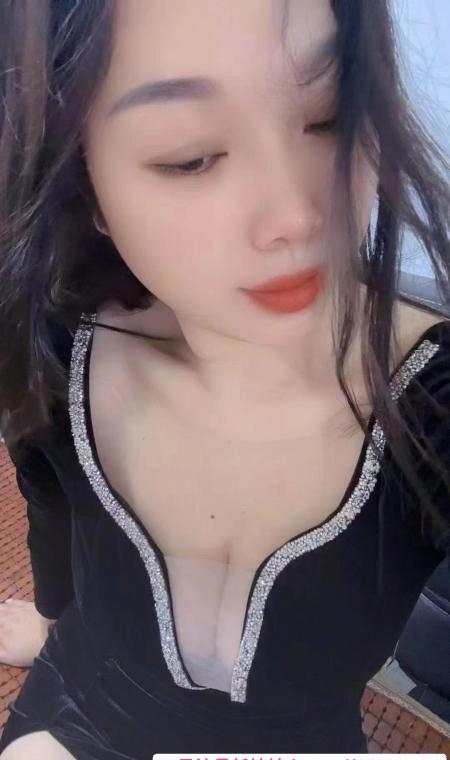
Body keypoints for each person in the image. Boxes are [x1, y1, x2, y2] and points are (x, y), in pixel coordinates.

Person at [0, 0, 449, 756]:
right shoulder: (56, 346)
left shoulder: (431, 405)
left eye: (329, 114)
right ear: (82, 182)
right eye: (190, 156)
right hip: (77, 706)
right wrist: (49, 622)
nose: (297, 215)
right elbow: (48, 505)